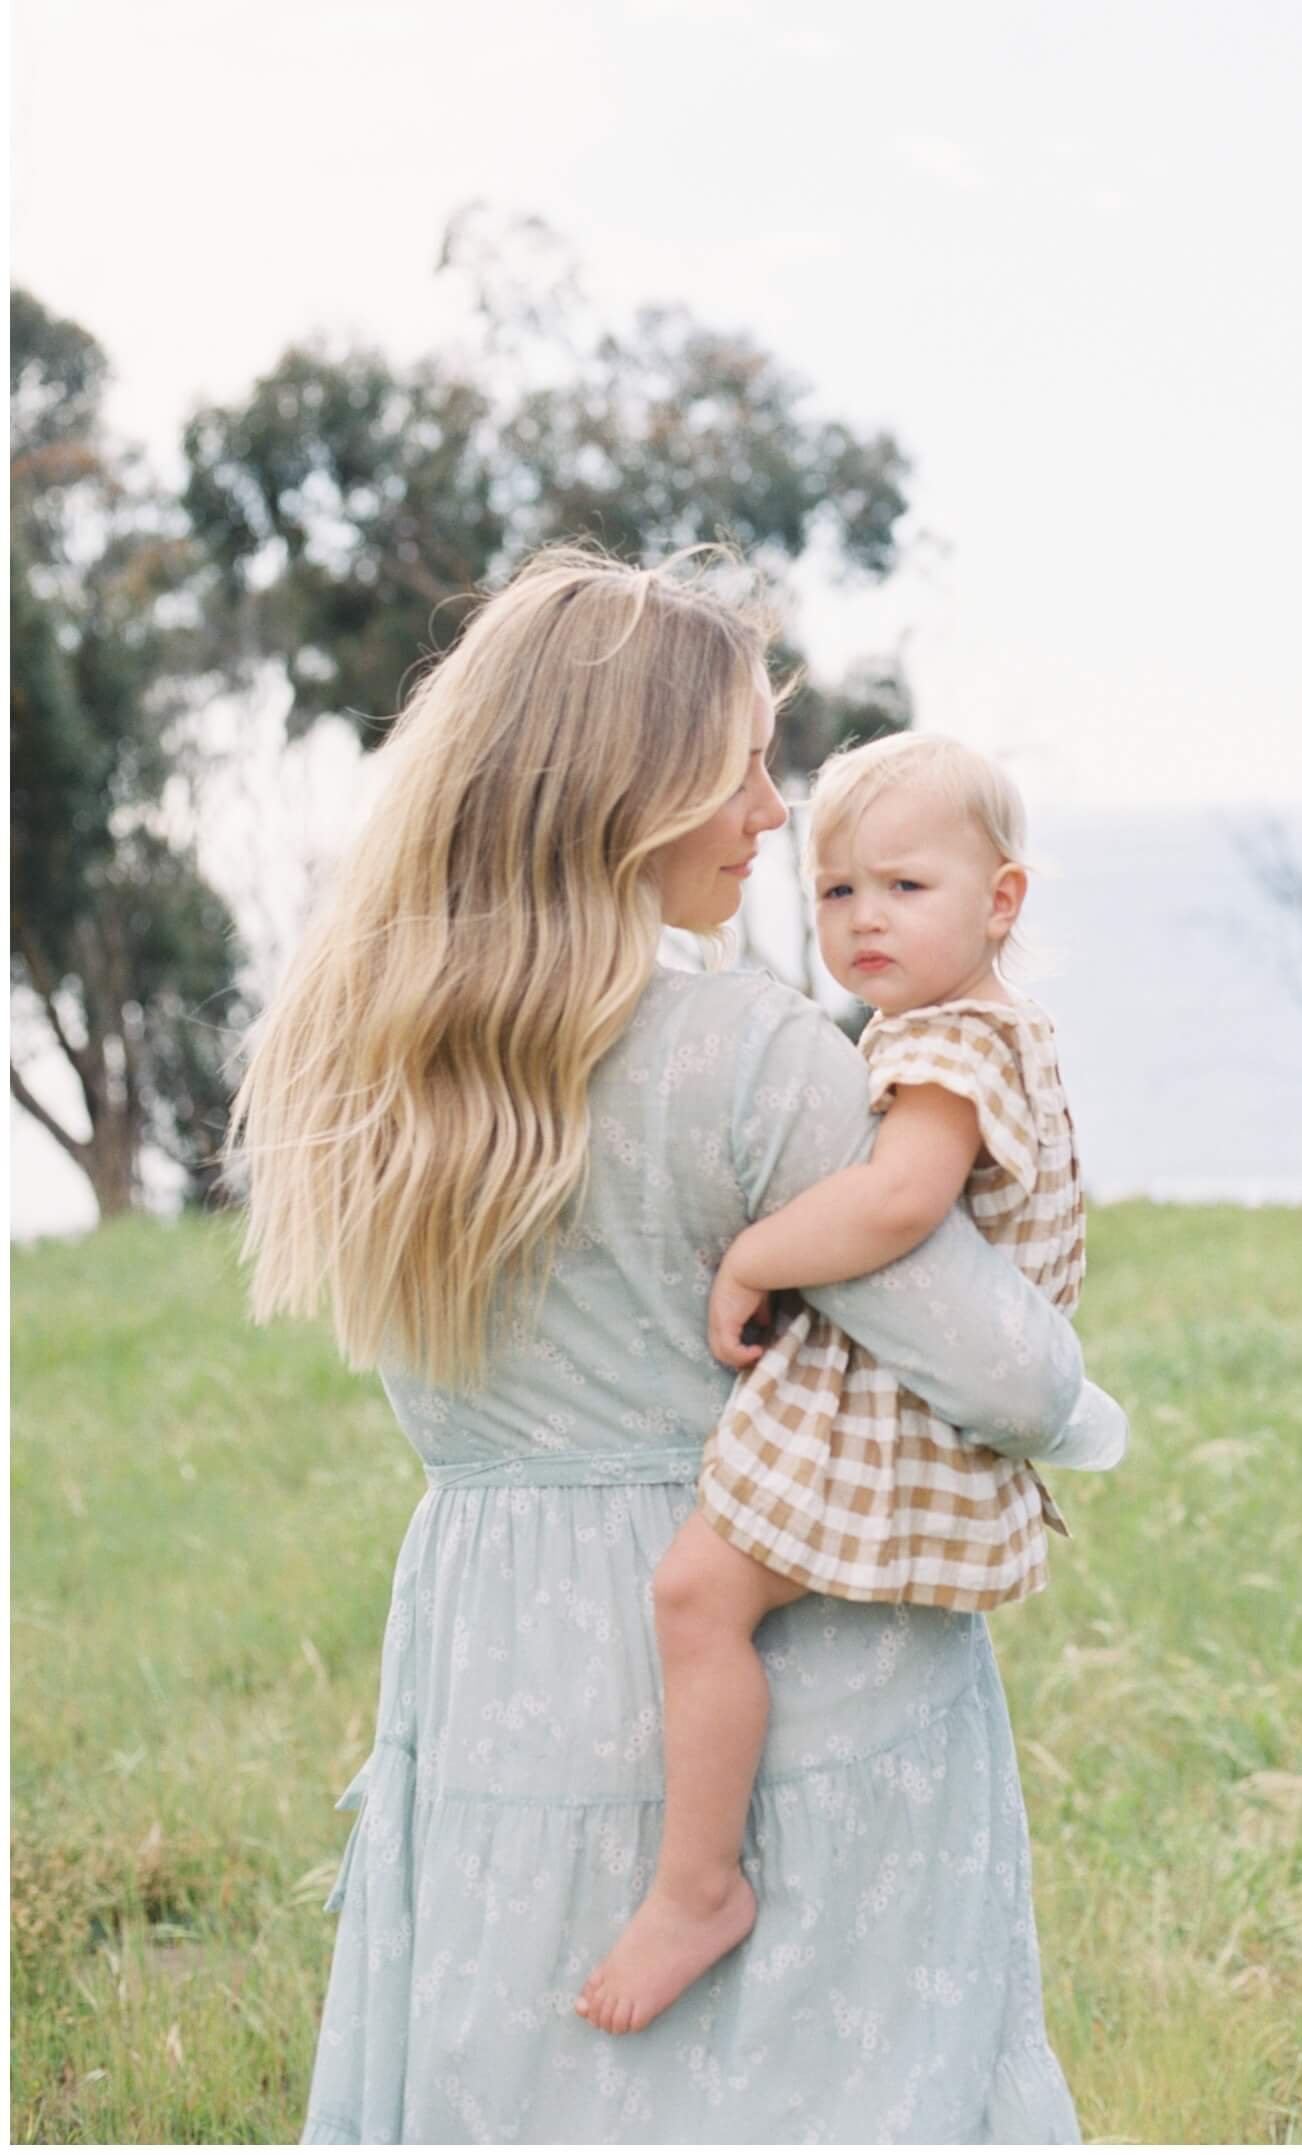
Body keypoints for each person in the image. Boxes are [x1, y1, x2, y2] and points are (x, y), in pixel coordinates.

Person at [232, 540, 1128, 2145]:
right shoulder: (749, 1056)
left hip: (495, 1664)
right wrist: (1073, 1388)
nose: (778, 819)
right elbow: (1003, 1372)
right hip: (798, 1665)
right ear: (630, 789)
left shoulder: (368, 1062)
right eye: (742, 771)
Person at [579, 731, 1115, 2037]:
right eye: (835, 892)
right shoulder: (947, 1025)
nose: (865, 918)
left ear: (1003, 902)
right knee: (715, 1601)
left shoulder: (955, 1045)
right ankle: (705, 1878)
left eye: (906, 888)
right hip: (897, 1394)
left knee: (696, 1595)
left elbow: (895, 1202)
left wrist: (754, 1255)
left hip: (898, 1412)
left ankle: (698, 1887)